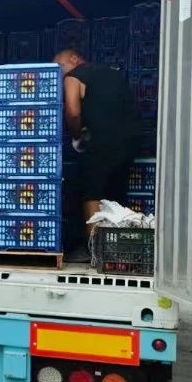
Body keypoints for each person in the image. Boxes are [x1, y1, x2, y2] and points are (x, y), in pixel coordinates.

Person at [53, 47, 139, 260]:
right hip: (128, 143)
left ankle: (94, 250)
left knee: (91, 191)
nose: (59, 73)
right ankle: (118, 252)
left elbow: (73, 112)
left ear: (74, 59)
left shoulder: (74, 76)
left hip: (100, 142)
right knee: (116, 194)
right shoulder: (114, 74)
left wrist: (77, 135)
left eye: (59, 67)